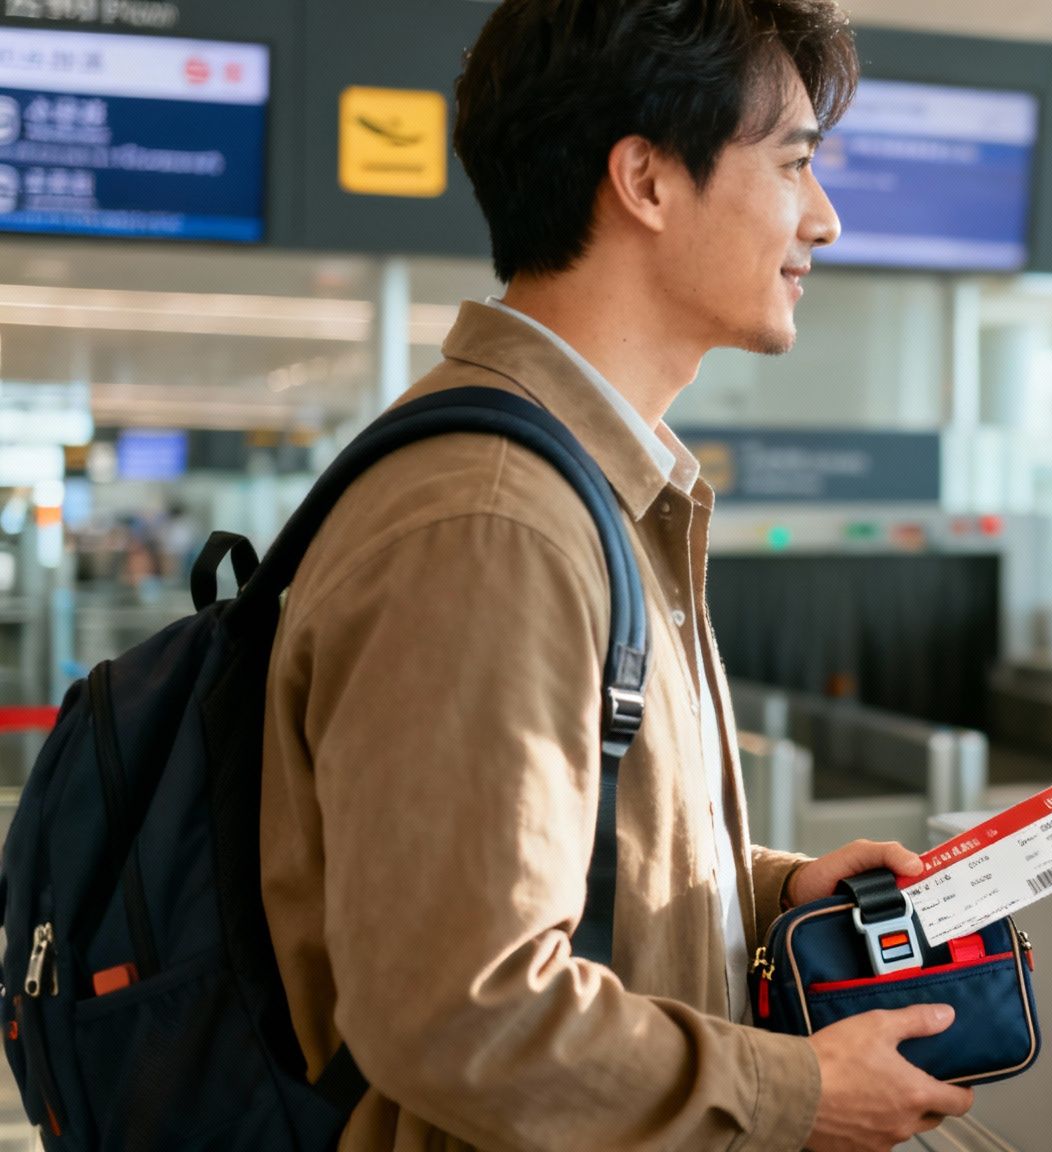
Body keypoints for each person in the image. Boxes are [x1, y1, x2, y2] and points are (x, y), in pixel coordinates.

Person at [261, 2, 973, 1149]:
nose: (824, 220)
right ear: (644, 179)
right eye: (793, 163)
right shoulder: (492, 521)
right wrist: (799, 1092)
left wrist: (764, 889)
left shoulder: (574, 484)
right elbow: (458, 1011)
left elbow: (541, 868)